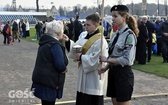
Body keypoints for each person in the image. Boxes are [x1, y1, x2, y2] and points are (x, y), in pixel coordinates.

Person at [99, 5, 139, 105]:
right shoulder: (116, 34)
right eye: (112, 16)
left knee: (123, 102)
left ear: (124, 17)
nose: (112, 19)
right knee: (115, 101)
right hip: (113, 72)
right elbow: (114, 55)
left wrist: (107, 60)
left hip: (123, 73)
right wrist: (106, 68)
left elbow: (127, 59)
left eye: (115, 16)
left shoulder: (129, 35)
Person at [68, 13, 108, 105]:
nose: (85, 27)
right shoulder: (85, 36)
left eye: (88, 25)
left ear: (96, 25)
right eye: (85, 24)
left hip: (93, 78)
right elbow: (75, 47)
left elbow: (96, 60)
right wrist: (67, 41)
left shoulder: (101, 41)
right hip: (83, 76)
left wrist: (81, 57)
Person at [31, 20, 69, 105]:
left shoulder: (44, 43)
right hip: (50, 82)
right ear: (58, 33)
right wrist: (64, 69)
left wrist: (63, 41)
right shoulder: (55, 46)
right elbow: (60, 65)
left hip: (42, 79)